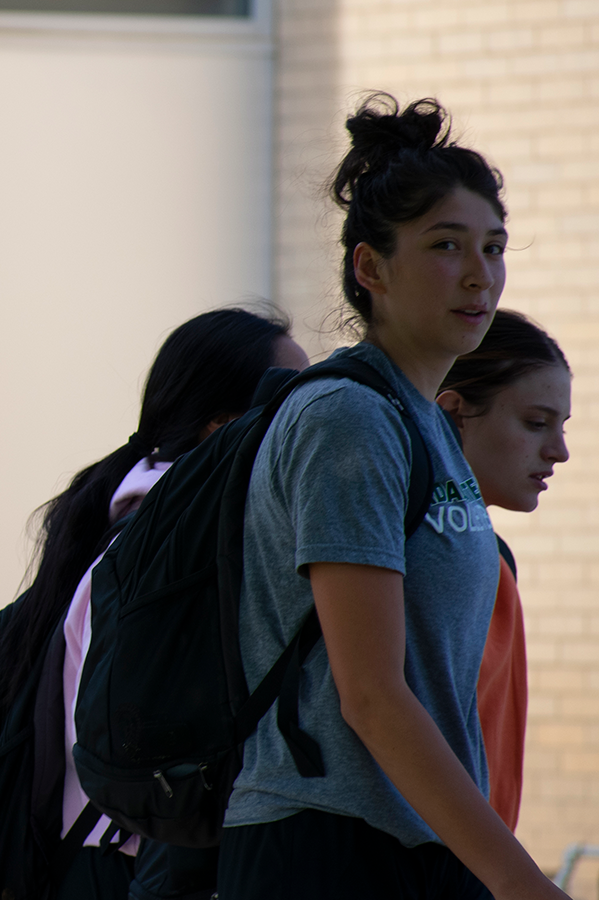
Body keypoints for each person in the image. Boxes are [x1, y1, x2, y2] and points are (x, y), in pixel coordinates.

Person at [218, 95, 568, 900]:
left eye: (494, 246)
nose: (480, 273)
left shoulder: (428, 427)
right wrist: (521, 883)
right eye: (446, 246)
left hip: (415, 845)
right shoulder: (349, 419)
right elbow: (372, 695)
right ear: (371, 267)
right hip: (323, 844)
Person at [0, 308, 308, 899]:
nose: (308, 419)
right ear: (221, 426)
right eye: (286, 397)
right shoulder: (170, 544)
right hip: (135, 854)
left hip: (120, 847)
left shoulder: (146, 514)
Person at [435, 310, 572, 831]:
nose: (558, 452)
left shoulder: (494, 558)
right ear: (453, 414)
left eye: (561, 427)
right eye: (536, 423)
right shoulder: (410, 558)